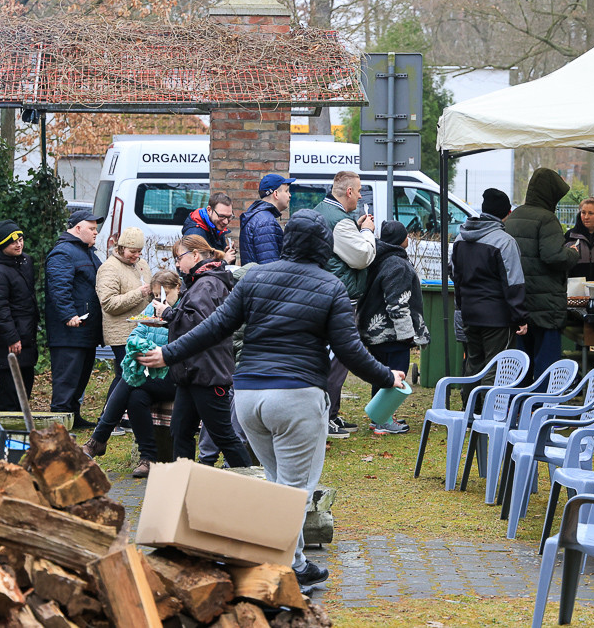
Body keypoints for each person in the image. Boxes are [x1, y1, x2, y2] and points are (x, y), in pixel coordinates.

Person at [138, 210, 404, 588]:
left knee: (278, 483)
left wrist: (169, 353)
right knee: (295, 491)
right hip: (296, 397)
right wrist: (385, 376)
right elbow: (349, 349)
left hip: (248, 397)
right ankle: (288, 568)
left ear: (287, 241)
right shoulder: (331, 287)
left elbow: (214, 327)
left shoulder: (256, 276)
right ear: (324, 245)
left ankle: (288, 560)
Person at [149, 235, 250, 467]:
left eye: (179, 257)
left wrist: (168, 314)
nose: (176, 264)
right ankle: (183, 487)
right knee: (180, 432)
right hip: (190, 373)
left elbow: (201, 327)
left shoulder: (207, 283)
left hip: (207, 373)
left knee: (224, 436)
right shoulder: (198, 281)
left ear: (195, 255)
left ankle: (249, 482)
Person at [84, 270, 182, 478]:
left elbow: (184, 343)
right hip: (152, 376)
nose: (160, 301)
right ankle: (148, 458)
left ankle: (98, 440)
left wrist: (159, 351)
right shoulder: (151, 308)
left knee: (129, 380)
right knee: (136, 398)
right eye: (156, 296)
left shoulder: (184, 310)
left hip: (176, 376)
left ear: (178, 289)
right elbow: (135, 336)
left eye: (165, 295)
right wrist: (144, 348)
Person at [450, 188, 529, 406]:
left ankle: (469, 411)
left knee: (473, 364)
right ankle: (490, 415)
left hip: (469, 313)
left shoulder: (460, 238)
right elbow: (513, 283)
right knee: (496, 366)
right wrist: (520, 317)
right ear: (507, 213)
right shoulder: (504, 241)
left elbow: (455, 275)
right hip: (497, 317)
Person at [314, 170, 376, 438]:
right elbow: (361, 256)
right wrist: (366, 231)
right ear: (349, 192)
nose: (361, 195)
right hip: (340, 301)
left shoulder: (323, 212)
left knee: (333, 359)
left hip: (325, 295)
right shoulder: (339, 221)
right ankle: (325, 417)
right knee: (336, 360)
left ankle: (332, 413)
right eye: (359, 190)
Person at [504, 168, 579, 381]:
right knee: (546, 367)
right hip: (546, 305)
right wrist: (573, 254)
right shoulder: (547, 219)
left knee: (521, 364)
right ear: (551, 194)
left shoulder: (515, 216)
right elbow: (554, 256)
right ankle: (540, 409)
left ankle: (518, 407)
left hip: (520, 303)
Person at [357, 220, 429, 434]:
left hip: (373, 331)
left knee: (381, 374)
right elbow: (397, 303)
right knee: (395, 375)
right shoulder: (397, 264)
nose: (409, 239)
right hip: (391, 334)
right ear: (401, 240)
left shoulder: (376, 258)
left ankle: (377, 418)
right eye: (407, 235)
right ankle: (383, 420)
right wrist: (407, 335)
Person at [45, 209, 105, 429]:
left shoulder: (87, 252)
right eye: (91, 228)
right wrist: (69, 314)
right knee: (67, 378)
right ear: (78, 228)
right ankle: (59, 422)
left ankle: (73, 415)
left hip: (86, 329)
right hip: (70, 331)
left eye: (96, 228)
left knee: (80, 377)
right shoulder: (63, 253)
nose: (95, 232)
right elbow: (59, 288)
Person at [0, 220, 39, 412]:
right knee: (10, 389)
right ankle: (7, 431)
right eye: (12, 241)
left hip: (27, 334)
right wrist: (12, 337)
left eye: (20, 239)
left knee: (26, 382)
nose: (18, 244)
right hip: (10, 339)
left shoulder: (25, 262)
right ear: (1, 244)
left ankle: (21, 428)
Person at [96, 226, 152, 394]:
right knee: (124, 377)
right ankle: (108, 417)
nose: (136, 256)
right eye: (132, 251)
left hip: (141, 330)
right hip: (121, 334)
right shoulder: (109, 268)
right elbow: (108, 303)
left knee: (134, 377)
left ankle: (121, 416)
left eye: (139, 251)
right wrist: (139, 293)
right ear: (121, 248)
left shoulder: (141, 264)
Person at [239, 173, 295, 264]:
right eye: (286, 191)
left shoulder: (258, 216)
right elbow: (270, 266)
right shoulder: (266, 222)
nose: (290, 195)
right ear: (276, 194)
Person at [183, 191, 237, 263]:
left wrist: (223, 254)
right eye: (221, 216)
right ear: (209, 210)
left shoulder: (216, 228)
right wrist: (224, 261)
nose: (226, 222)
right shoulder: (195, 234)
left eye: (229, 217)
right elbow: (196, 270)